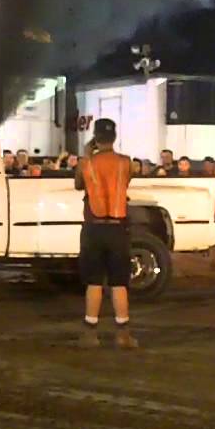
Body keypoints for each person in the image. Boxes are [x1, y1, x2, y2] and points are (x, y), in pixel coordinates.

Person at [75, 119, 136, 349]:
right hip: (118, 227)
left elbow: (79, 185)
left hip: (94, 227)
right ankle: (123, 334)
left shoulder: (86, 163)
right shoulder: (126, 163)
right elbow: (126, 182)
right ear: (115, 137)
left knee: (94, 282)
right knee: (119, 282)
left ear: (95, 137)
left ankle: (90, 333)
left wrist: (86, 154)